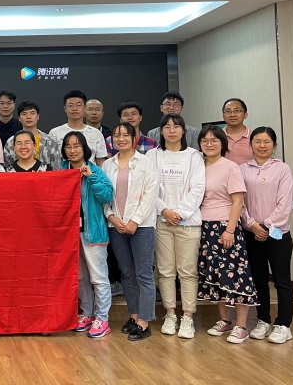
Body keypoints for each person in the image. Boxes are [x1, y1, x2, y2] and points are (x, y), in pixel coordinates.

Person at [145, 113, 205, 339]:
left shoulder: (194, 156)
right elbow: (148, 187)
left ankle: (188, 316)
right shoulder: (152, 155)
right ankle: (170, 314)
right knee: (165, 271)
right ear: (160, 131)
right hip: (161, 222)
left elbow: (198, 188)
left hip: (188, 223)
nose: (172, 130)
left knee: (188, 271)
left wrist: (179, 213)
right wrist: (165, 211)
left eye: (176, 126)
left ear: (183, 131)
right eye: (167, 127)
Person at [197, 126, 258, 344]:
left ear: (223, 144)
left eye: (214, 140)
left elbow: (238, 201)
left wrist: (230, 229)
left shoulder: (230, 167)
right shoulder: (198, 166)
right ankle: (225, 321)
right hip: (204, 227)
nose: (209, 144)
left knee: (236, 275)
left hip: (225, 227)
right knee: (215, 276)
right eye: (205, 140)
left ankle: (241, 326)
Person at [102, 122, 159, 341]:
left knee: (143, 273)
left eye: (126, 135)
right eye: (117, 135)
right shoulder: (108, 165)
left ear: (134, 138)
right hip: (116, 226)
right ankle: (134, 317)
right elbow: (104, 196)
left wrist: (135, 220)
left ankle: (145, 321)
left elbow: (150, 195)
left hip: (142, 226)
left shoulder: (146, 162)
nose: (121, 139)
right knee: (126, 273)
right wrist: (112, 218)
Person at [241, 126, 293, 344]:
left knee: (282, 281)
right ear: (251, 144)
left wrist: (265, 226)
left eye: (266, 142)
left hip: (278, 234)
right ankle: (263, 319)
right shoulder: (242, 169)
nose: (262, 146)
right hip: (251, 233)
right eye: (257, 141)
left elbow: (285, 204)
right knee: (259, 280)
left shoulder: (282, 169)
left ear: (274, 145)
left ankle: (283, 325)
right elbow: (239, 202)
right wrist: (252, 225)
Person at [60, 132, 114, 338]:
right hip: (69, 234)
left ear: (84, 148)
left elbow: (107, 196)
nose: (72, 150)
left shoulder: (96, 171)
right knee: (80, 277)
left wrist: (91, 177)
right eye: (68, 146)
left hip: (93, 233)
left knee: (98, 277)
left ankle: (102, 318)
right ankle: (87, 313)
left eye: (77, 146)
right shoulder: (61, 172)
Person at [49, 90, 108, 166]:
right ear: (65, 109)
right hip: (63, 173)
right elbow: (51, 161)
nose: (74, 109)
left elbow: (101, 164)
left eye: (78, 105)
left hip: (90, 173)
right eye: (70, 105)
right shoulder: (55, 133)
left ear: (85, 107)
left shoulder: (96, 133)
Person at [2, 100, 61, 169]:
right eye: (24, 114)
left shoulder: (50, 142)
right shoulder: (11, 142)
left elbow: (57, 169)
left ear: (38, 116)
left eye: (32, 113)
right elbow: (7, 169)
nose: (28, 117)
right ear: (19, 118)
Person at [222, 98, 253, 165]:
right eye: (228, 111)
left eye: (237, 111)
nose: (232, 115)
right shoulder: (217, 137)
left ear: (245, 115)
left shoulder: (254, 137)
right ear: (223, 116)